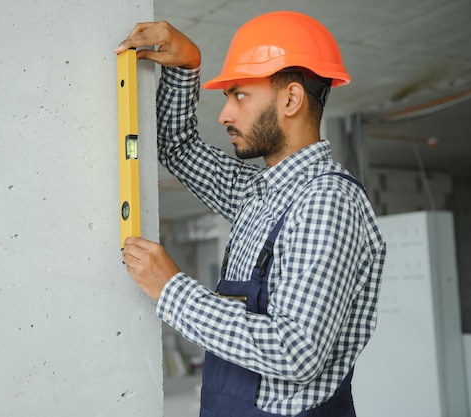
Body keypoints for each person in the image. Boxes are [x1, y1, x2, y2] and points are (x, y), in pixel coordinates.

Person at [117, 10, 386, 417]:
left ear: (291, 99)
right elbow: (177, 147)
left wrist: (171, 289)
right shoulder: (258, 192)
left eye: (239, 94)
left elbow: (296, 353)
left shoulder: (326, 201)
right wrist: (187, 67)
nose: (225, 114)